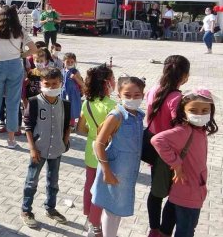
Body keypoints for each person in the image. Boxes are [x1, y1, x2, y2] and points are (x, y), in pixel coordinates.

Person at [151, 88, 218, 237]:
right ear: (184, 111)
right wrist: (176, 163)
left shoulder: (199, 129)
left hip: (181, 192)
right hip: (189, 196)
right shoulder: (184, 130)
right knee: (186, 232)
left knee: (166, 229)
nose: (199, 115)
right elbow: (157, 140)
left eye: (204, 110)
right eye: (193, 110)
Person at [0, 5, 38, 148]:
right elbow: (34, 49)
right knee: (13, 102)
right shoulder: (19, 30)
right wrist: (21, 55)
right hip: (16, 66)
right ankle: (11, 139)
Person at [91, 76, 146, 237]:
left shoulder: (138, 116)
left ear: (143, 95)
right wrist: (107, 171)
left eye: (137, 95)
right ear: (119, 95)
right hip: (114, 172)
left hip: (127, 174)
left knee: (117, 209)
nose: (132, 98)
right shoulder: (116, 116)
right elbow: (98, 143)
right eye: (127, 95)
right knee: (111, 210)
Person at [145, 55, 190, 236]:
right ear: (185, 76)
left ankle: (154, 228)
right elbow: (180, 127)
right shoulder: (177, 98)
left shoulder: (154, 89)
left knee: (156, 191)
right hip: (170, 155)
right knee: (172, 194)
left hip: (154, 150)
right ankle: (161, 231)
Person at [20, 68, 71, 228]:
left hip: (56, 149)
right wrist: (32, 148)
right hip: (39, 149)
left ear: (60, 84)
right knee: (31, 181)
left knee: (53, 182)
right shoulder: (34, 102)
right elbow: (28, 126)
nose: (51, 86)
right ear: (41, 84)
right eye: (47, 83)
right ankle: (26, 210)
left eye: (54, 84)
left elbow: (67, 125)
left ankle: (51, 208)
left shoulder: (65, 104)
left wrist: (64, 142)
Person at [77, 65, 116, 237]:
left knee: (89, 185)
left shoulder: (86, 103)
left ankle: (89, 217)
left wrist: (93, 134)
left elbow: (80, 128)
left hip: (89, 149)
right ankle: (95, 225)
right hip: (105, 152)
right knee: (100, 190)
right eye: (113, 79)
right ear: (107, 83)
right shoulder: (112, 105)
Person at [61, 52, 83, 128]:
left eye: (72, 62)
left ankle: (72, 124)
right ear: (63, 61)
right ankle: (64, 122)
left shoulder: (75, 72)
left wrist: (75, 78)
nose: (69, 63)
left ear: (75, 62)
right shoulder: (62, 70)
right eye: (67, 61)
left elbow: (82, 84)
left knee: (72, 108)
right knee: (63, 107)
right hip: (63, 92)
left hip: (73, 93)